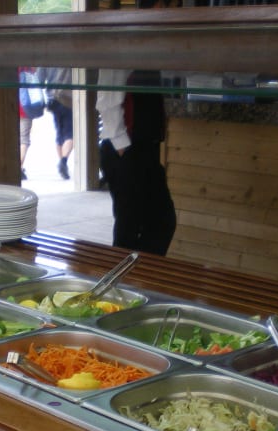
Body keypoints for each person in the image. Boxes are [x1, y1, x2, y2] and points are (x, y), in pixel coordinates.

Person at [95, 1, 176, 256]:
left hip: (144, 148)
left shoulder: (152, 45)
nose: (171, 12)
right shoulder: (124, 42)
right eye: (167, 6)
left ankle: (140, 275)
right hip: (125, 149)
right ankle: (123, 278)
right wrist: (123, 149)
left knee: (161, 222)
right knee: (130, 230)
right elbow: (107, 101)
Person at [44, 67, 74, 180]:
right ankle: (63, 161)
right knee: (70, 134)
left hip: (53, 99)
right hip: (68, 97)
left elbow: (40, 78)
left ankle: (62, 164)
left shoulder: (46, 59)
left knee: (59, 132)